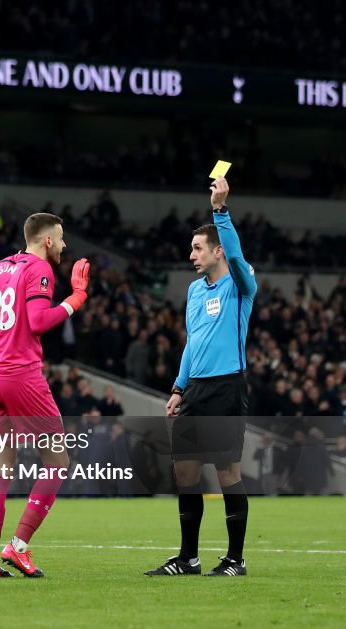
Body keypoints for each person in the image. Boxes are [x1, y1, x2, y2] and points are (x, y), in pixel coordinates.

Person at [146, 177, 256, 578]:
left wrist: (220, 211)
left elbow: (239, 258)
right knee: (185, 472)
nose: (191, 254)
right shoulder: (194, 292)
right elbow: (193, 342)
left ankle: (235, 560)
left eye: (197, 248)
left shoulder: (241, 285)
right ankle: (188, 558)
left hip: (227, 388)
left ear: (217, 251)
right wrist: (178, 387)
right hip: (195, 391)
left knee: (227, 473)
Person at [0, 212, 91, 579]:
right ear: (48, 240)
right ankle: (18, 545)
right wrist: (77, 298)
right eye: (62, 238)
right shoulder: (40, 269)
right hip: (20, 375)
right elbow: (38, 322)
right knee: (58, 461)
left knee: (0, 469)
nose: (65, 245)